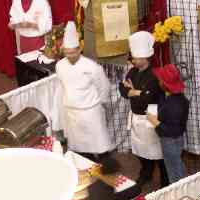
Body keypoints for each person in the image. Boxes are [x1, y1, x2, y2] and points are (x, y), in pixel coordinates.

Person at [56, 21, 114, 161]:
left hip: (90, 112)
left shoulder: (91, 67)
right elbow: (62, 88)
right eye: (67, 53)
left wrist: (99, 103)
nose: (70, 56)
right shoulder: (60, 65)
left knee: (99, 144)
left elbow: (104, 86)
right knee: (79, 146)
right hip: (72, 112)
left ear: (79, 50)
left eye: (72, 53)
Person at [119, 31, 168, 189]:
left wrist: (134, 92)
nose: (133, 60)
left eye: (135, 58)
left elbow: (149, 98)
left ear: (145, 58)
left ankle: (165, 179)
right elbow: (122, 89)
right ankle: (146, 171)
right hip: (136, 115)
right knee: (140, 149)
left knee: (157, 150)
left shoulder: (154, 75)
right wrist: (137, 92)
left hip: (151, 114)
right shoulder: (132, 72)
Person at [147, 64, 189, 184]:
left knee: (173, 169)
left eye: (160, 79)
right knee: (177, 163)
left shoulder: (173, 105)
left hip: (170, 140)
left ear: (165, 84)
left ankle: (179, 191)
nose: (158, 81)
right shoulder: (179, 98)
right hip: (176, 140)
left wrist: (155, 122)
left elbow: (172, 130)